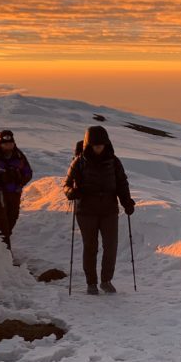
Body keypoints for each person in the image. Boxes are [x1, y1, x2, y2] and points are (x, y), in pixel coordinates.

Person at [64, 126, 135, 295]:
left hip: (109, 210)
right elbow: (66, 185)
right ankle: (91, 283)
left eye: (101, 145)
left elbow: (122, 183)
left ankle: (106, 280)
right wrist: (72, 192)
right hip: (86, 211)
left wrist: (127, 202)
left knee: (111, 246)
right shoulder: (79, 162)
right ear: (89, 145)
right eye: (95, 145)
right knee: (91, 247)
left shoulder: (114, 161)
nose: (99, 148)